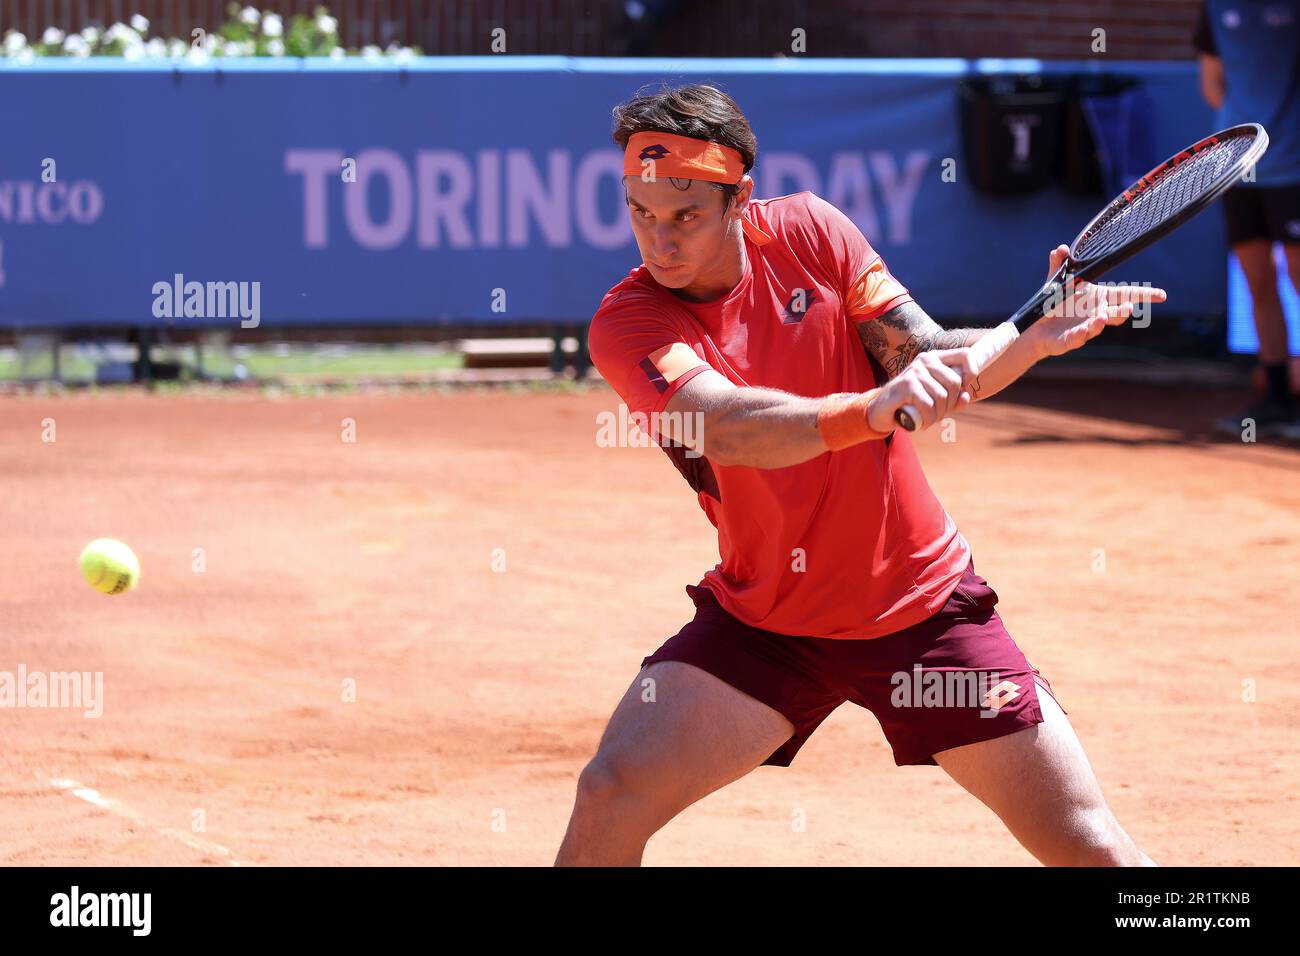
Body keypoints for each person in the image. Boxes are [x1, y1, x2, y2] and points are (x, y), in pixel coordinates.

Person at [556, 83, 1165, 867]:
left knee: (1087, 844)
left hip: (923, 613)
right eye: (640, 213)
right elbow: (725, 427)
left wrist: (1033, 339)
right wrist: (874, 409)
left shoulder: (812, 230)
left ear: (739, 198)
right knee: (612, 793)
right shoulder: (629, 321)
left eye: (685, 217)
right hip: (767, 626)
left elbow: (925, 362)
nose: (659, 243)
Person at [1195, 0, 1300, 437]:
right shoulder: (1215, 8)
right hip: (1237, 168)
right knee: (1258, 280)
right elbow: (1213, 85)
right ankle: (1277, 398)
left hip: (1295, 166)